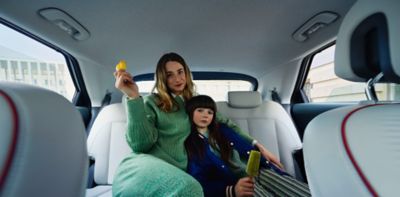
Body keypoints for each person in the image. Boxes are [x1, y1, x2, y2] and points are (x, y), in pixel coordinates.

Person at [112, 52, 281, 196]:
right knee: (191, 189)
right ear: (162, 78)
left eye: (180, 72)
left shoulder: (194, 103)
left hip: (176, 173)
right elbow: (140, 144)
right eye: (170, 75)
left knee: (192, 187)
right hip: (144, 166)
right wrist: (133, 97)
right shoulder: (152, 101)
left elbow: (226, 123)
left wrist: (258, 145)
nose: (178, 79)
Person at [185, 95, 311, 197]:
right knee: (256, 192)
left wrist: (265, 158)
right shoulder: (191, 143)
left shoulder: (222, 129)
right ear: (190, 113)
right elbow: (199, 180)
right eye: (200, 110)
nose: (205, 115)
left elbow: (245, 144)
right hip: (235, 180)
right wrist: (230, 191)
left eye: (210, 112)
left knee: (289, 185)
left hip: (258, 169)